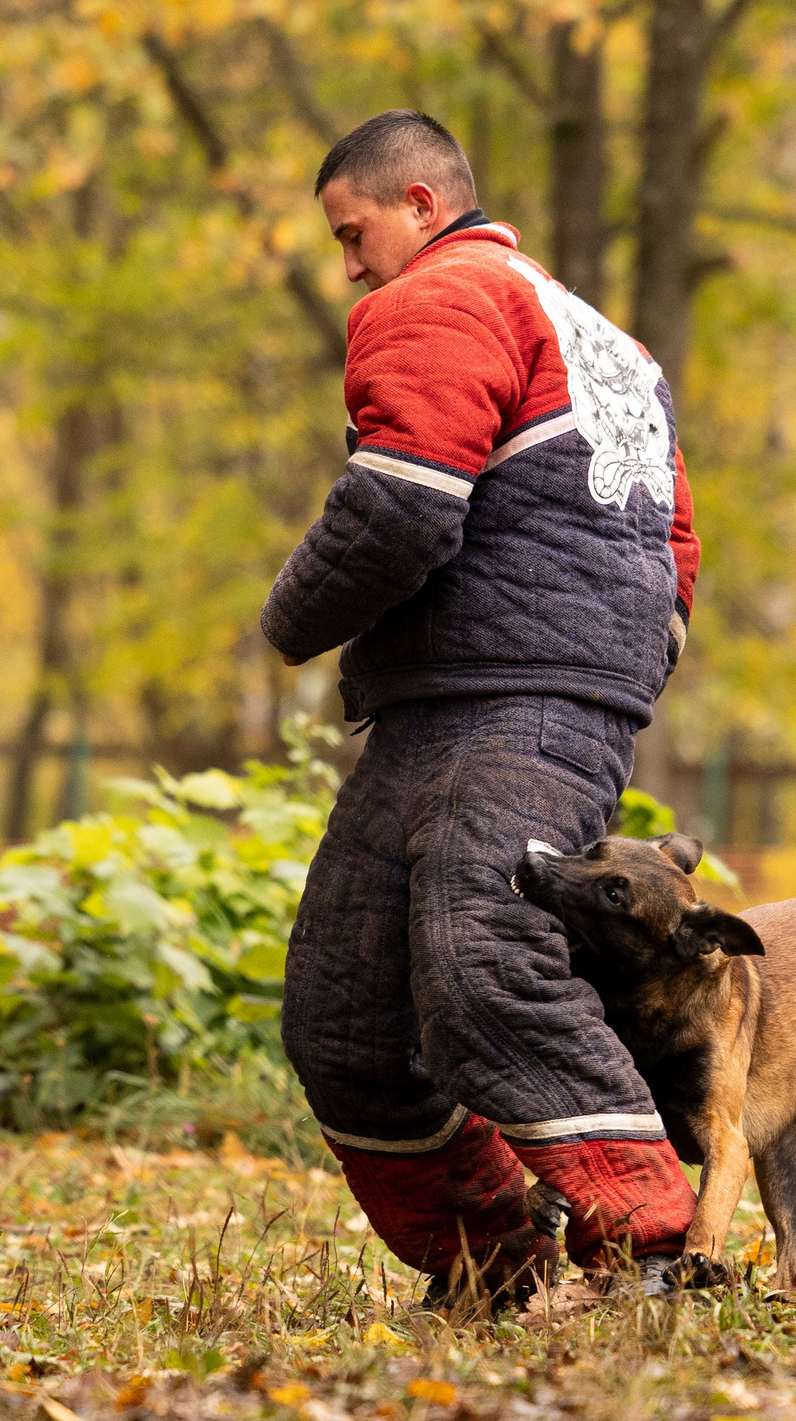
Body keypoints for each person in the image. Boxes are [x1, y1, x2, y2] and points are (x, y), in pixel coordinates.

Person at [260, 110, 702, 1309]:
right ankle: (492, 1265)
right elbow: (676, 551)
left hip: (509, 697)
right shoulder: (608, 341)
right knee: (343, 1013)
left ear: (418, 202)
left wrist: (288, 622)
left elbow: (400, 505)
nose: (349, 264)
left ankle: (648, 1255)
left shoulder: (442, 297)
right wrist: (620, 666)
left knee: (485, 959)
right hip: (467, 699)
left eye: (352, 232)